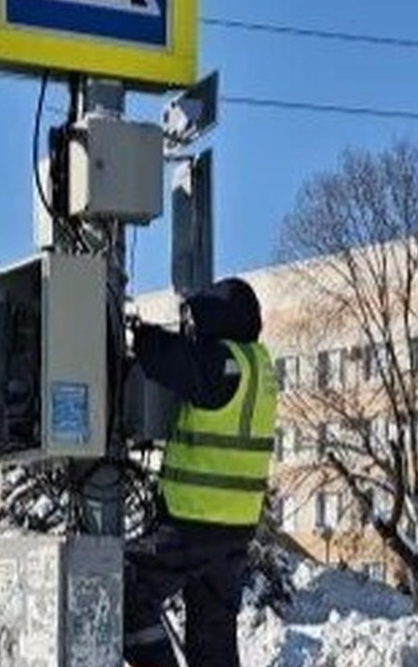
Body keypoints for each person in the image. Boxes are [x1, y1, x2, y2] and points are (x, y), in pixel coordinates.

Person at [123, 277, 277, 667]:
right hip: (234, 531)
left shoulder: (223, 365)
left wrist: (136, 333)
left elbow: (167, 358)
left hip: (194, 524)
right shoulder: (258, 365)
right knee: (213, 641)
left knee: (124, 590)